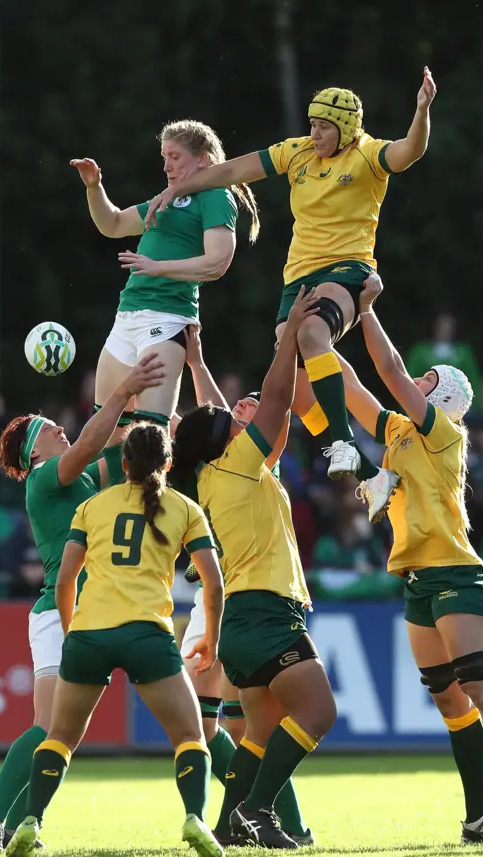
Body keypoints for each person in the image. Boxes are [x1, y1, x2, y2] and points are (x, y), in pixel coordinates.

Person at [145, 69, 436, 500]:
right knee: (296, 386)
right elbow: (235, 170)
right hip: (299, 275)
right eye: (312, 125)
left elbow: (410, 151)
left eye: (323, 128)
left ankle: (342, 443)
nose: (314, 134)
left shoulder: (367, 154)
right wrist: (175, 189)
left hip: (347, 268)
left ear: (346, 129)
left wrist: (422, 109)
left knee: (313, 332)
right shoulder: (296, 153)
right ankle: (372, 474)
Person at [342, 271, 483, 845]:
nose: (417, 382)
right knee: (450, 699)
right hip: (418, 579)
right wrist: (316, 342)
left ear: (447, 398)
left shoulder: (442, 433)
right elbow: (355, 387)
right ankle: (480, 814)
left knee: (480, 686)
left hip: (455, 573)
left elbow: (390, 373)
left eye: (430, 380)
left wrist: (365, 309)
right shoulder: (405, 430)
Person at [0, 354, 164, 851]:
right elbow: (97, 440)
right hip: (59, 611)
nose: (61, 429)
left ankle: (3, 824)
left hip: (86, 609)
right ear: (36, 451)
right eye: (51, 428)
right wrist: (120, 395)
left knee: (60, 734)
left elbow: (116, 443)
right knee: (50, 728)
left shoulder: (76, 477)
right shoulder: (43, 477)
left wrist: (137, 398)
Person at [6, 423, 225, 857]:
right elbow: (214, 585)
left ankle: (30, 821)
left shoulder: (92, 506)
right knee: (190, 736)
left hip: (90, 634)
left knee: (59, 738)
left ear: (122, 464)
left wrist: (71, 632)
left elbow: (66, 579)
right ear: (168, 463)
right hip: (147, 633)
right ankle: (195, 818)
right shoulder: (184, 508)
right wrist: (211, 641)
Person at [172, 288, 336, 849]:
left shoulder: (219, 471)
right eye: (231, 419)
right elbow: (276, 397)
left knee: (259, 735)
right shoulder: (240, 465)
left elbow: (222, 418)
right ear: (228, 441)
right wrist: (290, 331)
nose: (236, 412)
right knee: (318, 710)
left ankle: (226, 829)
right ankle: (259, 810)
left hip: (243, 619)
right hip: (264, 612)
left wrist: (197, 364)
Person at [70, 119, 259, 430]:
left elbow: (217, 262)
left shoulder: (215, 195)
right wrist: (94, 187)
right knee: (109, 435)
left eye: (174, 157)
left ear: (203, 158)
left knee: (149, 435)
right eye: (164, 158)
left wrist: (159, 268)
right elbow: (113, 224)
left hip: (167, 317)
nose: (166, 166)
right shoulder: (169, 196)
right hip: (127, 316)